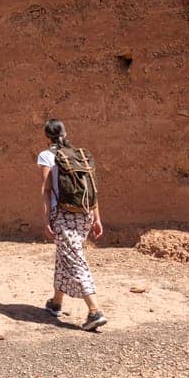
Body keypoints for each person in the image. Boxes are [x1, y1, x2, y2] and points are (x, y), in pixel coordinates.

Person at [39, 118, 108, 330]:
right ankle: (56, 302)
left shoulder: (46, 156)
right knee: (65, 255)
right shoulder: (81, 155)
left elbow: (47, 189)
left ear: (46, 136)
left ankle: (94, 310)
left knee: (75, 259)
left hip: (63, 215)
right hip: (85, 214)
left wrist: (47, 219)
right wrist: (97, 217)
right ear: (65, 133)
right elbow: (92, 188)